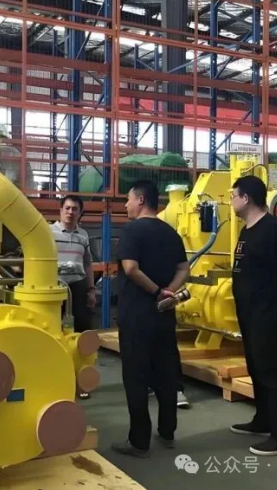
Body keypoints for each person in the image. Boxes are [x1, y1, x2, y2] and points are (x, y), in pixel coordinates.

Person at [111, 180, 190, 458]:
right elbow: (184, 267)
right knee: (166, 375)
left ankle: (139, 441)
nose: (126, 205)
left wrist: (157, 291)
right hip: (164, 315)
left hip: (137, 316)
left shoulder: (132, 230)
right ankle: (167, 432)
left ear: (141, 200)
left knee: (136, 377)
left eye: (129, 199)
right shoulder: (170, 233)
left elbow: (131, 268)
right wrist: (170, 291)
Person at [229, 175, 277, 456]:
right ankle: (263, 419)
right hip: (248, 311)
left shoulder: (273, 230)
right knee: (255, 366)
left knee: (270, 370)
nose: (231, 201)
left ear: (246, 198)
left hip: (267, 311)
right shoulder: (246, 230)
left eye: (233, 195)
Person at [50, 195, 96, 399]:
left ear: (80, 212)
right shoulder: (48, 232)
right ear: (61, 210)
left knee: (81, 334)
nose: (70, 212)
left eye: (75, 209)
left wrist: (91, 290)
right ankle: (58, 379)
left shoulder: (83, 236)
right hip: (54, 288)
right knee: (54, 332)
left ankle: (81, 380)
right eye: (67, 208)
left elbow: (88, 264)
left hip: (78, 287)